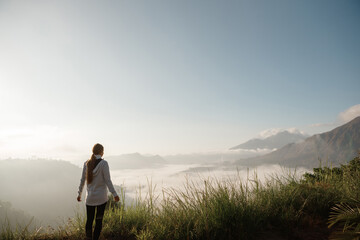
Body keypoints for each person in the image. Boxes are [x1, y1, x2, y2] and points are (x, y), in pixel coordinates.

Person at [77, 143, 120, 240]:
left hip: (90, 198)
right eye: (103, 151)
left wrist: (79, 194)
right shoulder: (104, 164)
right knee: (98, 220)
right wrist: (115, 194)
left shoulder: (86, 163)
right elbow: (108, 181)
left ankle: (88, 238)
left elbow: (82, 180)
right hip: (101, 198)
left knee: (89, 220)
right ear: (101, 152)